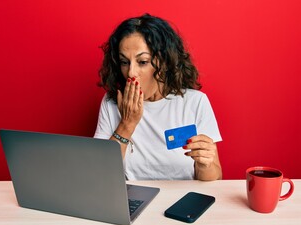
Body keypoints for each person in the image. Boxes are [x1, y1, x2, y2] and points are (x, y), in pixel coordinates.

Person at [94, 14, 222, 181]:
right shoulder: (111, 103)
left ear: (164, 63)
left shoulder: (195, 102)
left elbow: (215, 178)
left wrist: (204, 163)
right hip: (131, 200)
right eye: (124, 62)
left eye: (142, 61)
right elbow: (99, 175)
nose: (131, 72)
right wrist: (127, 124)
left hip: (181, 200)